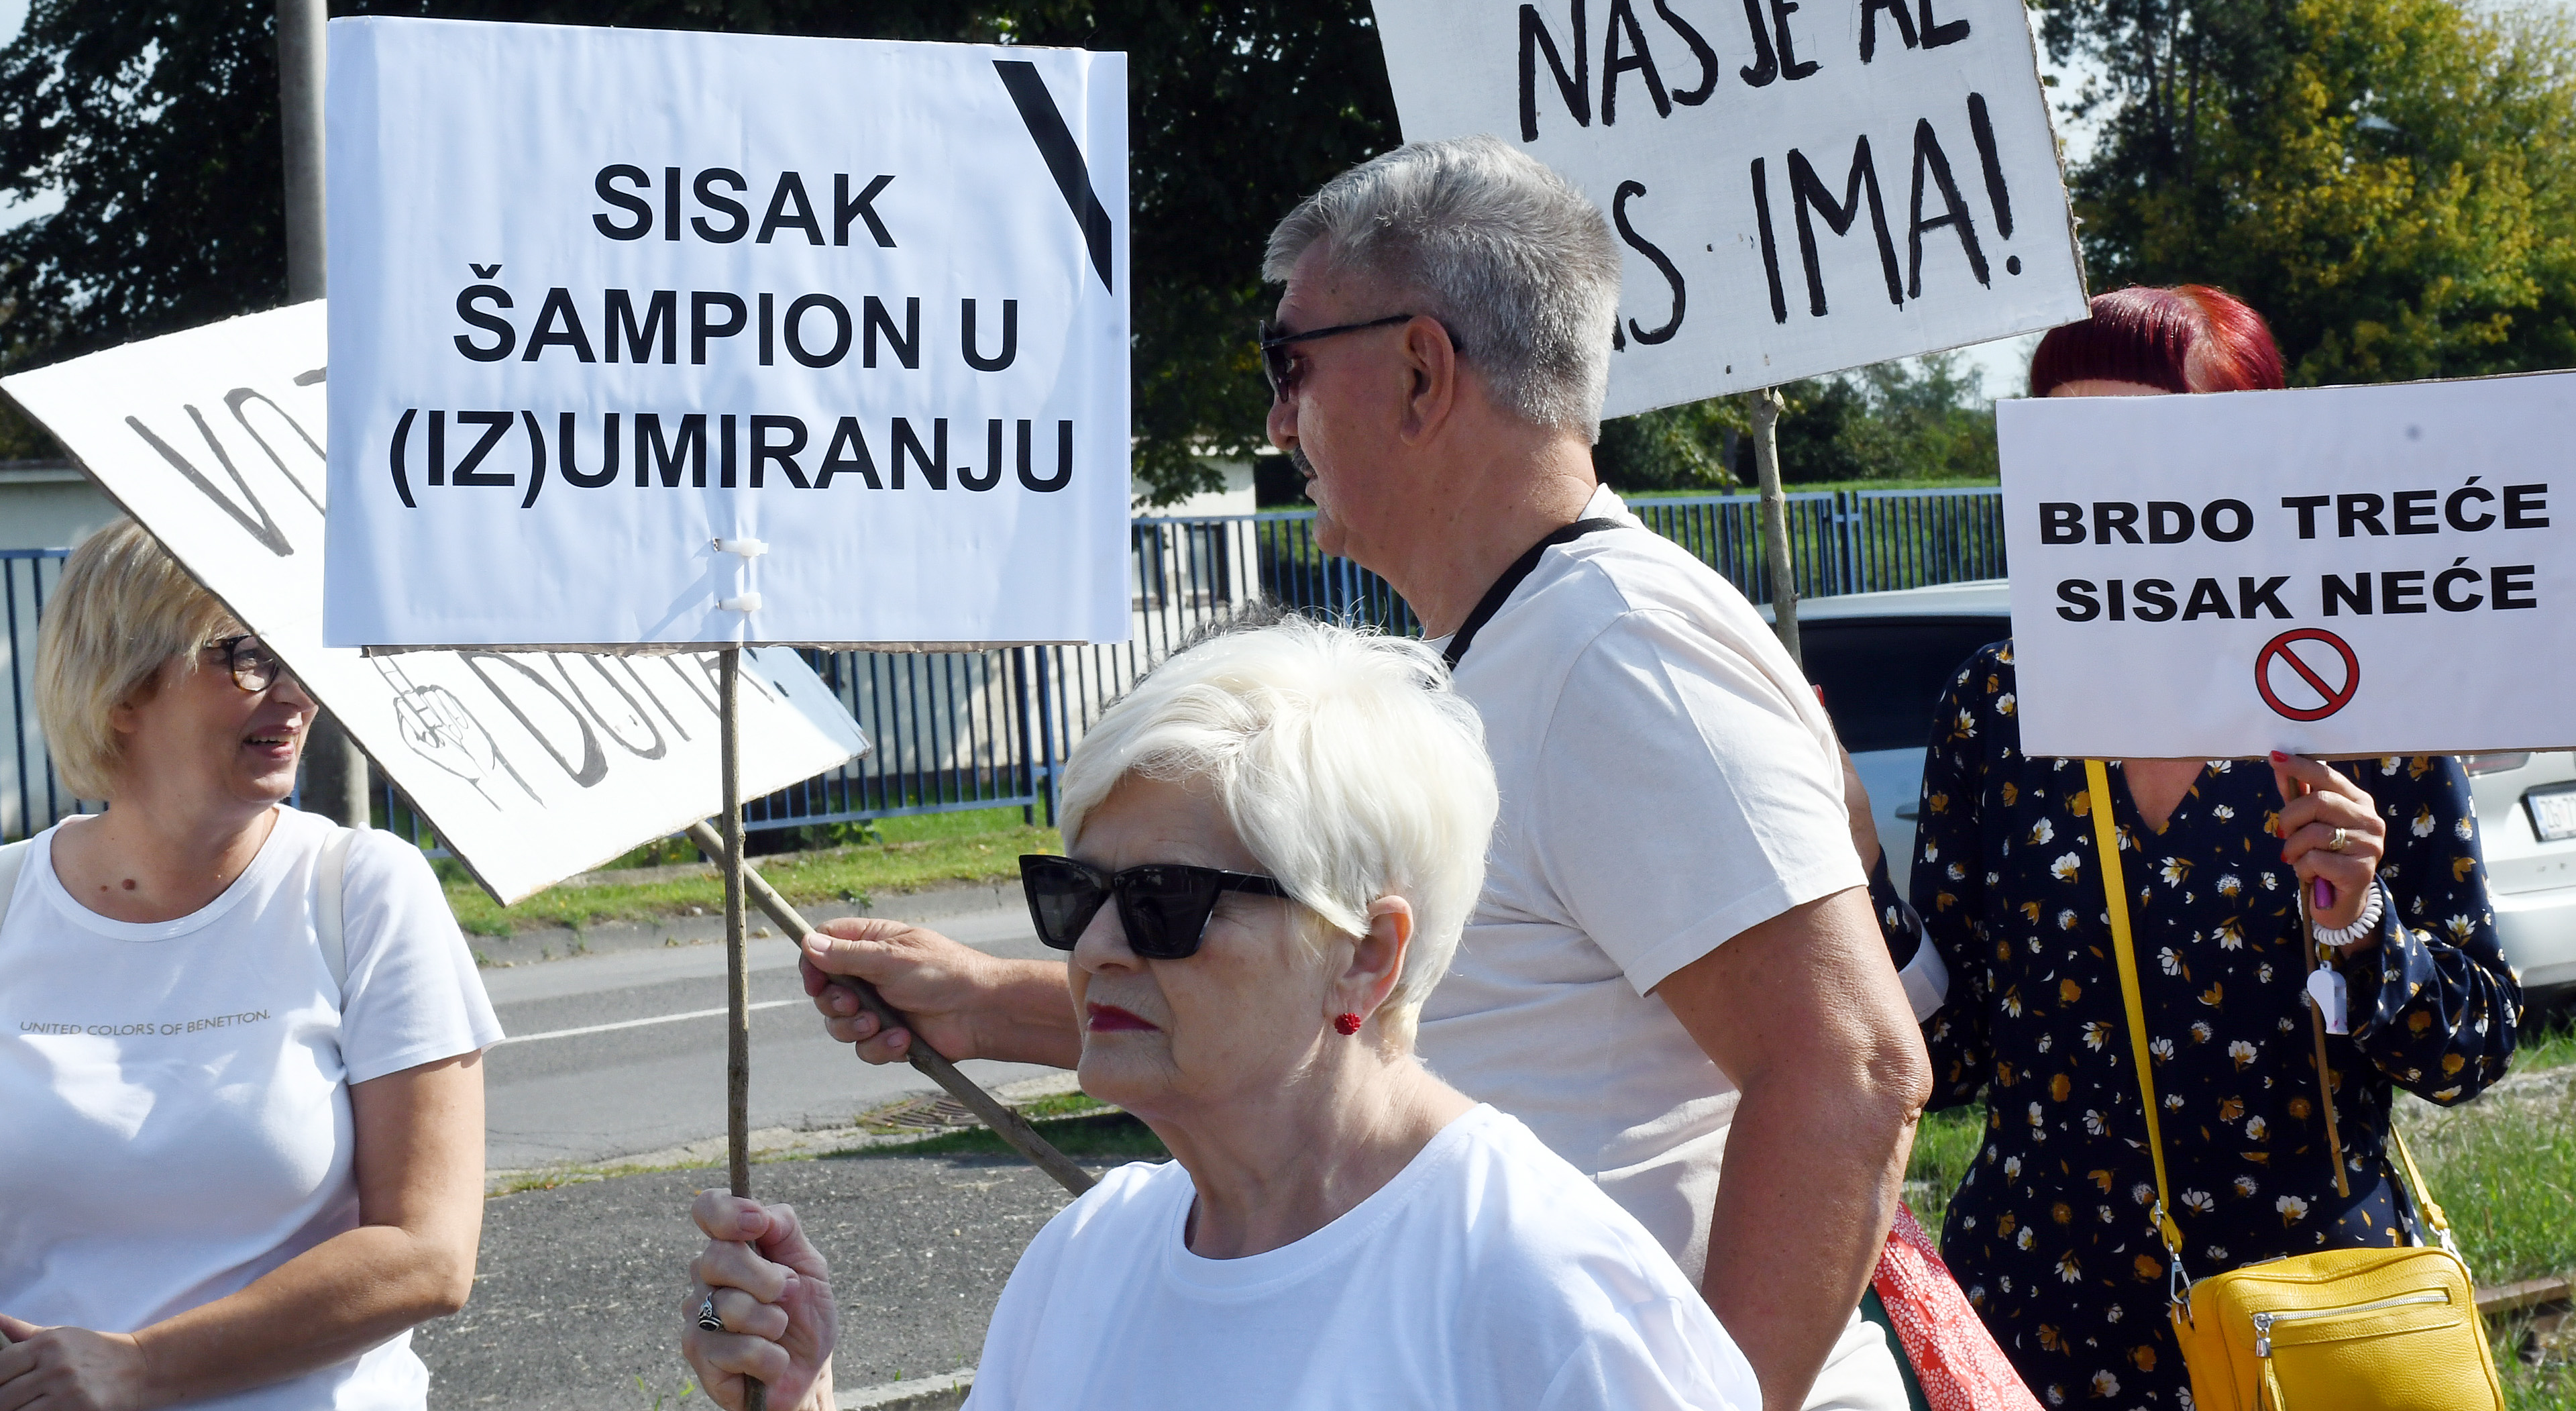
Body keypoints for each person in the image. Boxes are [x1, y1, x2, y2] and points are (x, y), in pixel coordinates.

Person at [787, 138, 1932, 1411]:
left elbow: (1851, 1072)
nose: (1275, 422)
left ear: (1421, 370)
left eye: (1290, 365)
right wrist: (985, 1004)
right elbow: (1335, 1011)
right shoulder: (1524, 642)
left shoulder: (1617, 651)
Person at [685, 618, 1762, 1411]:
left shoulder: (1551, 1292)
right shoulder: (1088, 1256)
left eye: (1166, 903)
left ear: (1366, 955)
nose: (1098, 946)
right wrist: (800, 1400)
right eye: (1077, 893)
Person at [1913, 286, 2522, 1408]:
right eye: (2066, 455)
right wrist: (1853, 879)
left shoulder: (2362, 693)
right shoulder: (1997, 705)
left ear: (2255, 468)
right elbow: (1950, 1062)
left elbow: (2474, 1051)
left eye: (2149, 454)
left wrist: (2361, 925)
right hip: (2042, 1317)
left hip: (2308, 1316)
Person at [0, 519, 503, 1410]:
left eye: (303, 653)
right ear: (122, 689)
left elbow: (426, 1254)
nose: (296, 691)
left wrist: (139, 1365)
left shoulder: (364, 889)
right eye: (248, 656)